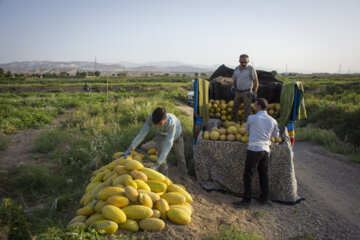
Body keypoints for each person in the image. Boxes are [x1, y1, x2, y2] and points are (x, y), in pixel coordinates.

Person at [233, 98, 279, 207]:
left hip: (254, 149)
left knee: (248, 174)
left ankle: (246, 200)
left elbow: (246, 130)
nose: (254, 107)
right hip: (265, 150)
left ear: (258, 106)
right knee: (263, 174)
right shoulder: (273, 120)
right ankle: (264, 198)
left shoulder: (252, 118)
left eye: (255, 105)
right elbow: (276, 136)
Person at [123, 107, 188, 176]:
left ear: (165, 118)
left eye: (159, 123)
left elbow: (169, 143)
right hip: (161, 135)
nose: (157, 125)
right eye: (155, 124)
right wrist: (130, 148)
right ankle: (164, 176)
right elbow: (142, 133)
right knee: (160, 154)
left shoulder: (171, 123)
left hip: (176, 135)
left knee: (180, 154)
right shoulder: (151, 118)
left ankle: (184, 173)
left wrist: (157, 163)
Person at [231, 54, 259, 123]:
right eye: (242, 62)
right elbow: (234, 79)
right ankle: (234, 123)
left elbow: (256, 81)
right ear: (239, 61)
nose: (243, 63)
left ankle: (247, 125)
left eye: (245, 62)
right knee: (234, 108)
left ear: (248, 61)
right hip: (238, 92)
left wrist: (255, 91)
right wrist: (233, 86)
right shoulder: (236, 69)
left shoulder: (251, 69)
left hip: (247, 92)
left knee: (247, 110)